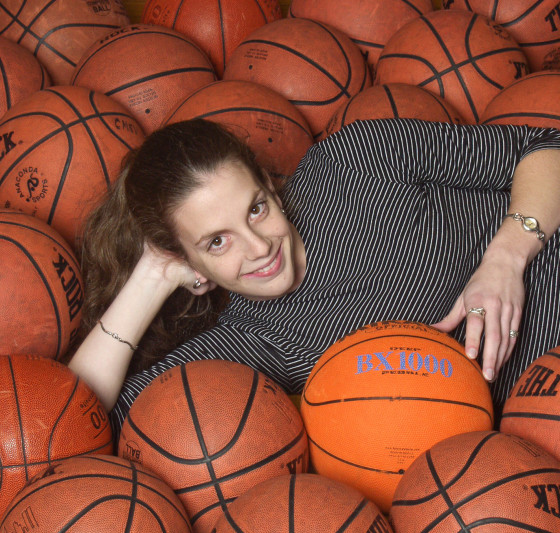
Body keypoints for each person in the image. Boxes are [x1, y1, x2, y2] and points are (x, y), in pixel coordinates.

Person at [69, 117, 560, 439]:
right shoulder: (254, 339)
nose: (259, 248)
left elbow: (546, 145)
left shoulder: (353, 160)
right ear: (188, 264)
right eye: (217, 242)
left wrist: (505, 261)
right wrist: (152, 277)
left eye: (256, 210)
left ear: (269, 187)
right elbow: (79, 418)